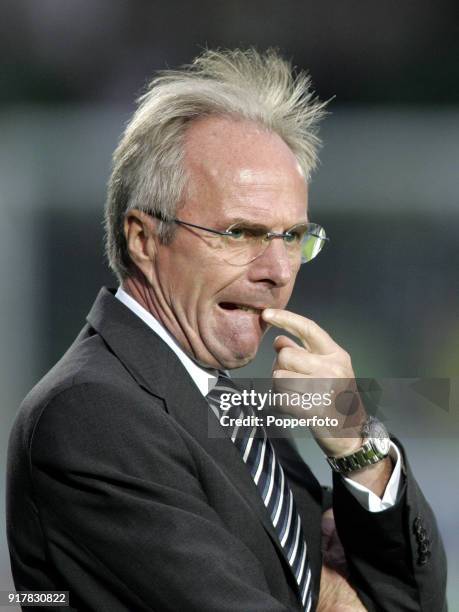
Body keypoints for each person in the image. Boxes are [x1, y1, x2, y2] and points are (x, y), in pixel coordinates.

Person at [7, 48, 446, 611]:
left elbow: (416, 600)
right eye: (240, 233)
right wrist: (333, 595)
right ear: (144, 239)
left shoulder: (228, 401)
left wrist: (356, 443)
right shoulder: (91, 413)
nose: (278, 271)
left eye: (292, 236)